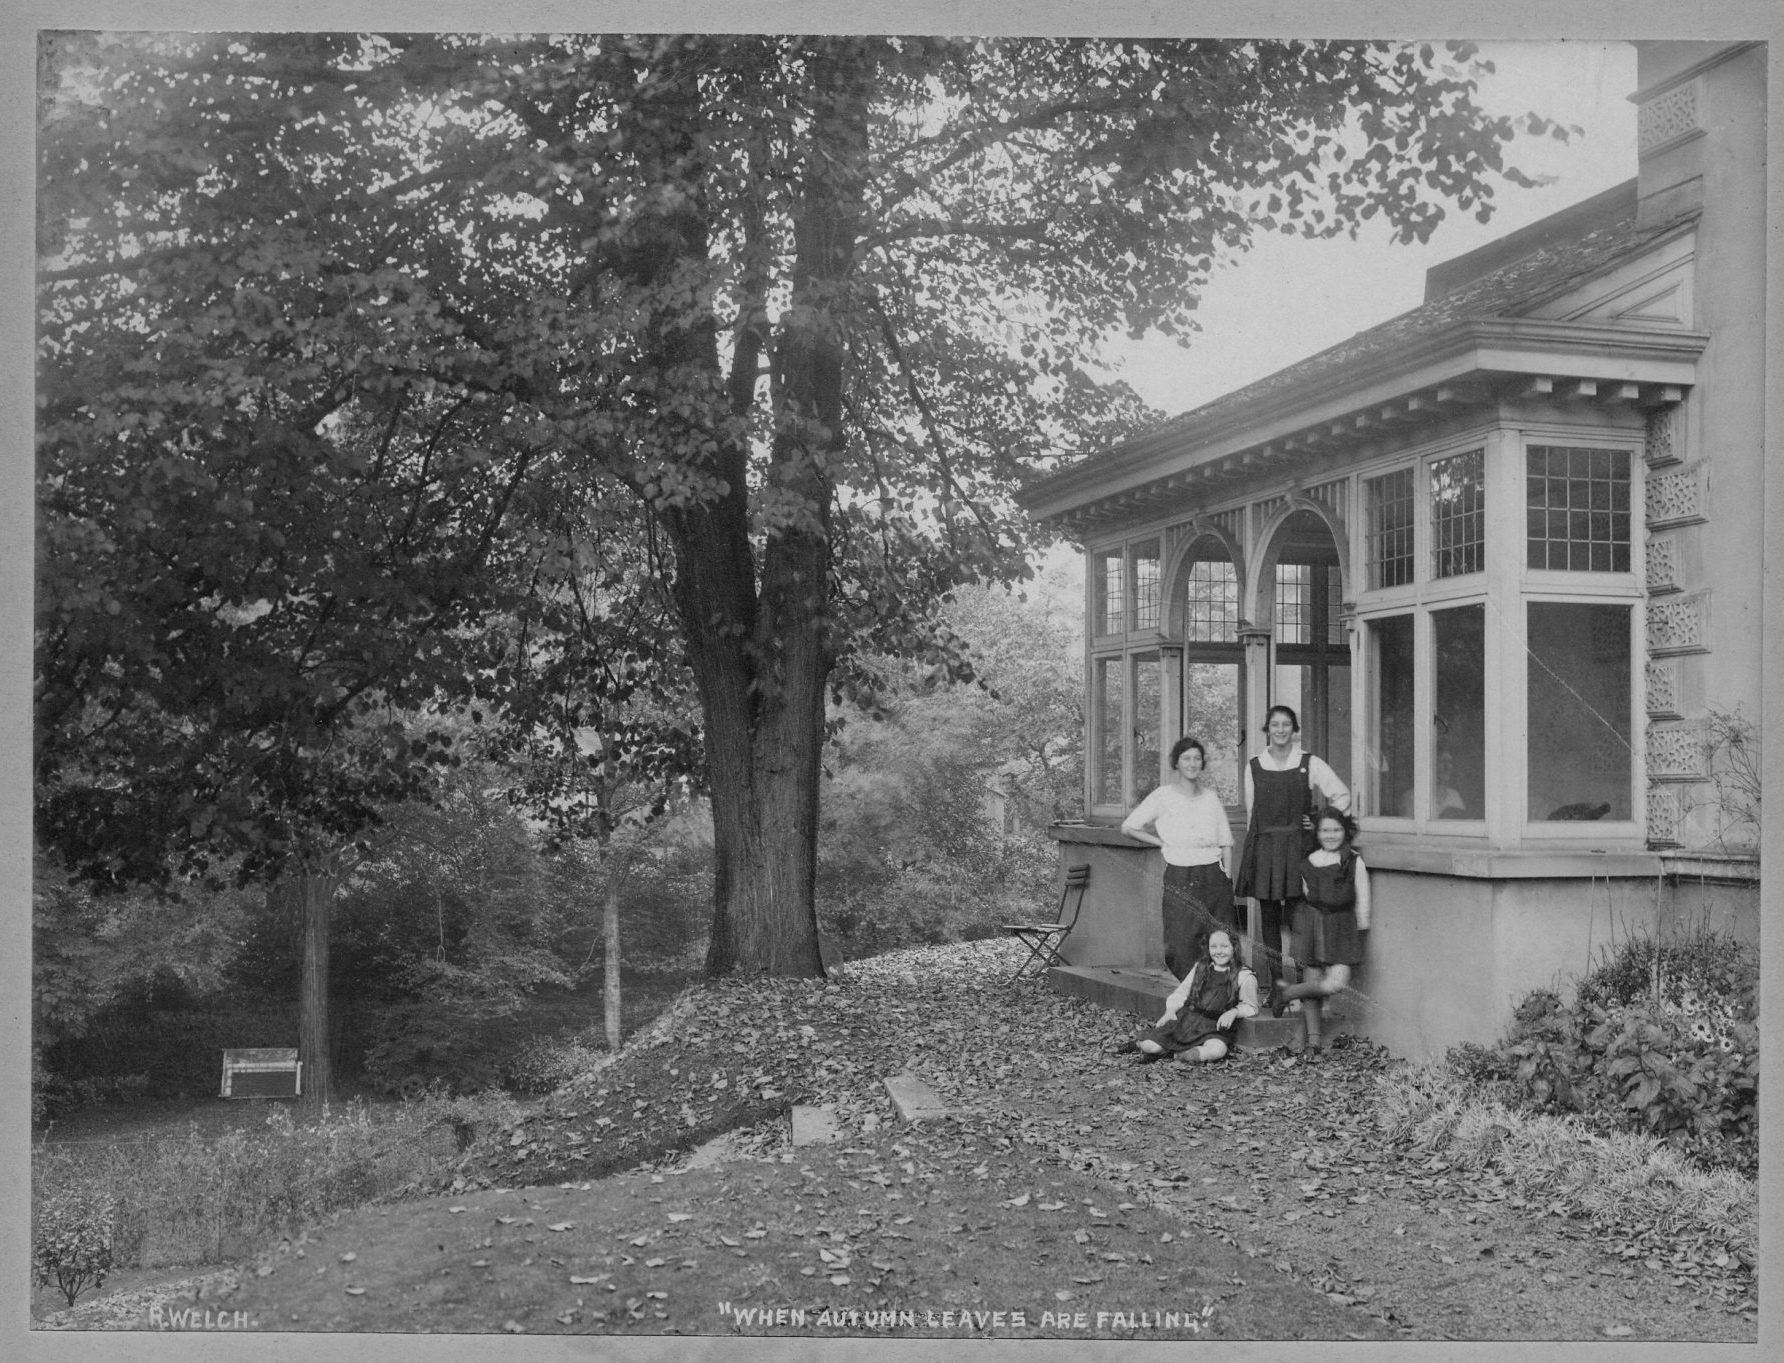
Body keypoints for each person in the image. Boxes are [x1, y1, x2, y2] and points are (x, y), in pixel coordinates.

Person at [1233, 704, 1349, 987]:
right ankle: (1276, 984)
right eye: (1275, 725)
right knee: (1269, 919)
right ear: (1267, 729)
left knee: (1298, 918)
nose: (1281, 730)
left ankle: (1299, 982)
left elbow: (1341, 795)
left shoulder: (1309, 762)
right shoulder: (1255, 765)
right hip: (1266, 847)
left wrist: (1321, 822)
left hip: (1299, 847)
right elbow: (1252, 813)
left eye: (1286, 725)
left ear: (1295, 730)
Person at [1120, 736, 1236, 976]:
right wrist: (1161, 842)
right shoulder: (1163, 796)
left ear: (1202, 763)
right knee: (1180, 943)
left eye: (1196, 758)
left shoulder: (1211, 798)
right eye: (1186, 758)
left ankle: (1215, 998)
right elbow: (1129, 827)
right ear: (1177, 763)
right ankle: (1191, 996)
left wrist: (1227, 874)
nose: (1192, 764)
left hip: (1214, 875)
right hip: (1181, 875)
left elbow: (1226, 841)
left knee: (1221, 940)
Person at [1270, 810, 1371, 1057]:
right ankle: (1313, 1043)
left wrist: (1358, 931)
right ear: (1316, 833)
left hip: (1342, 926)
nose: (1331, 835)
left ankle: (1287, 993)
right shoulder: (1308, 862)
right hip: (1311, 924)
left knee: (1335, 983)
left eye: (1336, 830)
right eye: (1325, 830)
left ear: (1346, 831)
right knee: (1312, 982)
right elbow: (1304, 897)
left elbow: (1363, 901)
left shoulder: (1354, 861)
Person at [1117, 929, 1258, 1064]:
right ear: (1208, 948)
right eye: (1213, 947)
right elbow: (1182, 992)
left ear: (1234, 947)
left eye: (1224, 946)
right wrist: (1170, 1011)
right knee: (1149, 1046)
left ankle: (1176, 1054)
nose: (1219, 951)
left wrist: (1234, 1012)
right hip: (1187, 1020)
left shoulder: (1243, 975)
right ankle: (1145, 1046)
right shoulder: (1201, 967)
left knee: (1217, 1050)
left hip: (1214, 1028)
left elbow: (1250, 1005)